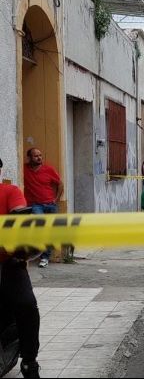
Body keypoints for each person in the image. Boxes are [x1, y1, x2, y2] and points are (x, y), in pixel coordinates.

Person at [0, 157, 41, 378]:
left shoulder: (10, 191)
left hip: (9, 263)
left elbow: (19, 214)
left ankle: (29, 361)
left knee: (27, 305)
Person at [23, 148, 63, 269]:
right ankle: (34, 253)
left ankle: (45, 257)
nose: (39, 158)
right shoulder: (23, 169)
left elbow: (60, 184)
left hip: (50, 205)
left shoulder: (48, 169)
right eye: (36, 156)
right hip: (35, 205)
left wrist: (56, 199)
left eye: (40, 155)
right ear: (29, 158)